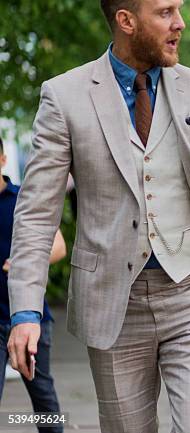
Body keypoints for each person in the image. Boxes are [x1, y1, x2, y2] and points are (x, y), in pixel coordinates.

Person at [7, 1, 190, 432]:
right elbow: (36, 215)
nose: (179, 23)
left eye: (178, 10)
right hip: (111, 304)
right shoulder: (65, 96)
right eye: (165, 12)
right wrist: (25, 314)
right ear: (127, 21)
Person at [0, 138, 66, 433]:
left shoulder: (22, 199)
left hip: (29, 317)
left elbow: (59, 247)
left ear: (2, 160)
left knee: (43, 398)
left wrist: (22, 261)